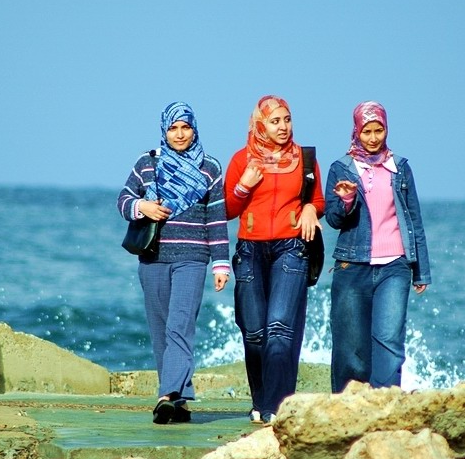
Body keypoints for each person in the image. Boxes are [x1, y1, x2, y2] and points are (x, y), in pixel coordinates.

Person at [117, 101, 230, 424]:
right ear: (164, 130)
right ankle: (179, 400)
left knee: (180, 326)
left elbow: (217, 219)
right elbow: (123, 200)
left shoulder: (210, 168)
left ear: (195, 129)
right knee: (161, 330)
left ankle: (165, 396)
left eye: (186, 127)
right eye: (173, 128)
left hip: (193, 259)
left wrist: (220, 264)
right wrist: (143, 207)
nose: (180, 134)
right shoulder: (146, 164)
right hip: (153, 257)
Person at [224, 95, 325, 426]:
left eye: (287, 119)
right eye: (275, 121)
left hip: (291, 248)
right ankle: (261, 400)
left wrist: (311, 208)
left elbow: (318, 199)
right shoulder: (242, 159)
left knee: (279, 328)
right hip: (250, 251)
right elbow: (226, 209)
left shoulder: (304, 159)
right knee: (253, 332)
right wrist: (243, 186)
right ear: (260, 124)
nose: (283, 127)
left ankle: (276, 408)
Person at [324, 101, 431, 393]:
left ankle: (386, 403)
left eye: (379, 130)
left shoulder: (400, 168)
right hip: (352, 266)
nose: (373, 138)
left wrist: (421, 270)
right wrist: (346, 201)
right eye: (367, 131)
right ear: (357, 131)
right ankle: (347, 406)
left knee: (389, 339)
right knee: (351, 344)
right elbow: (333, 219)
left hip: (395, 266)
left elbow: (414, 220)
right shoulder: (341, 169)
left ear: (386, 129)